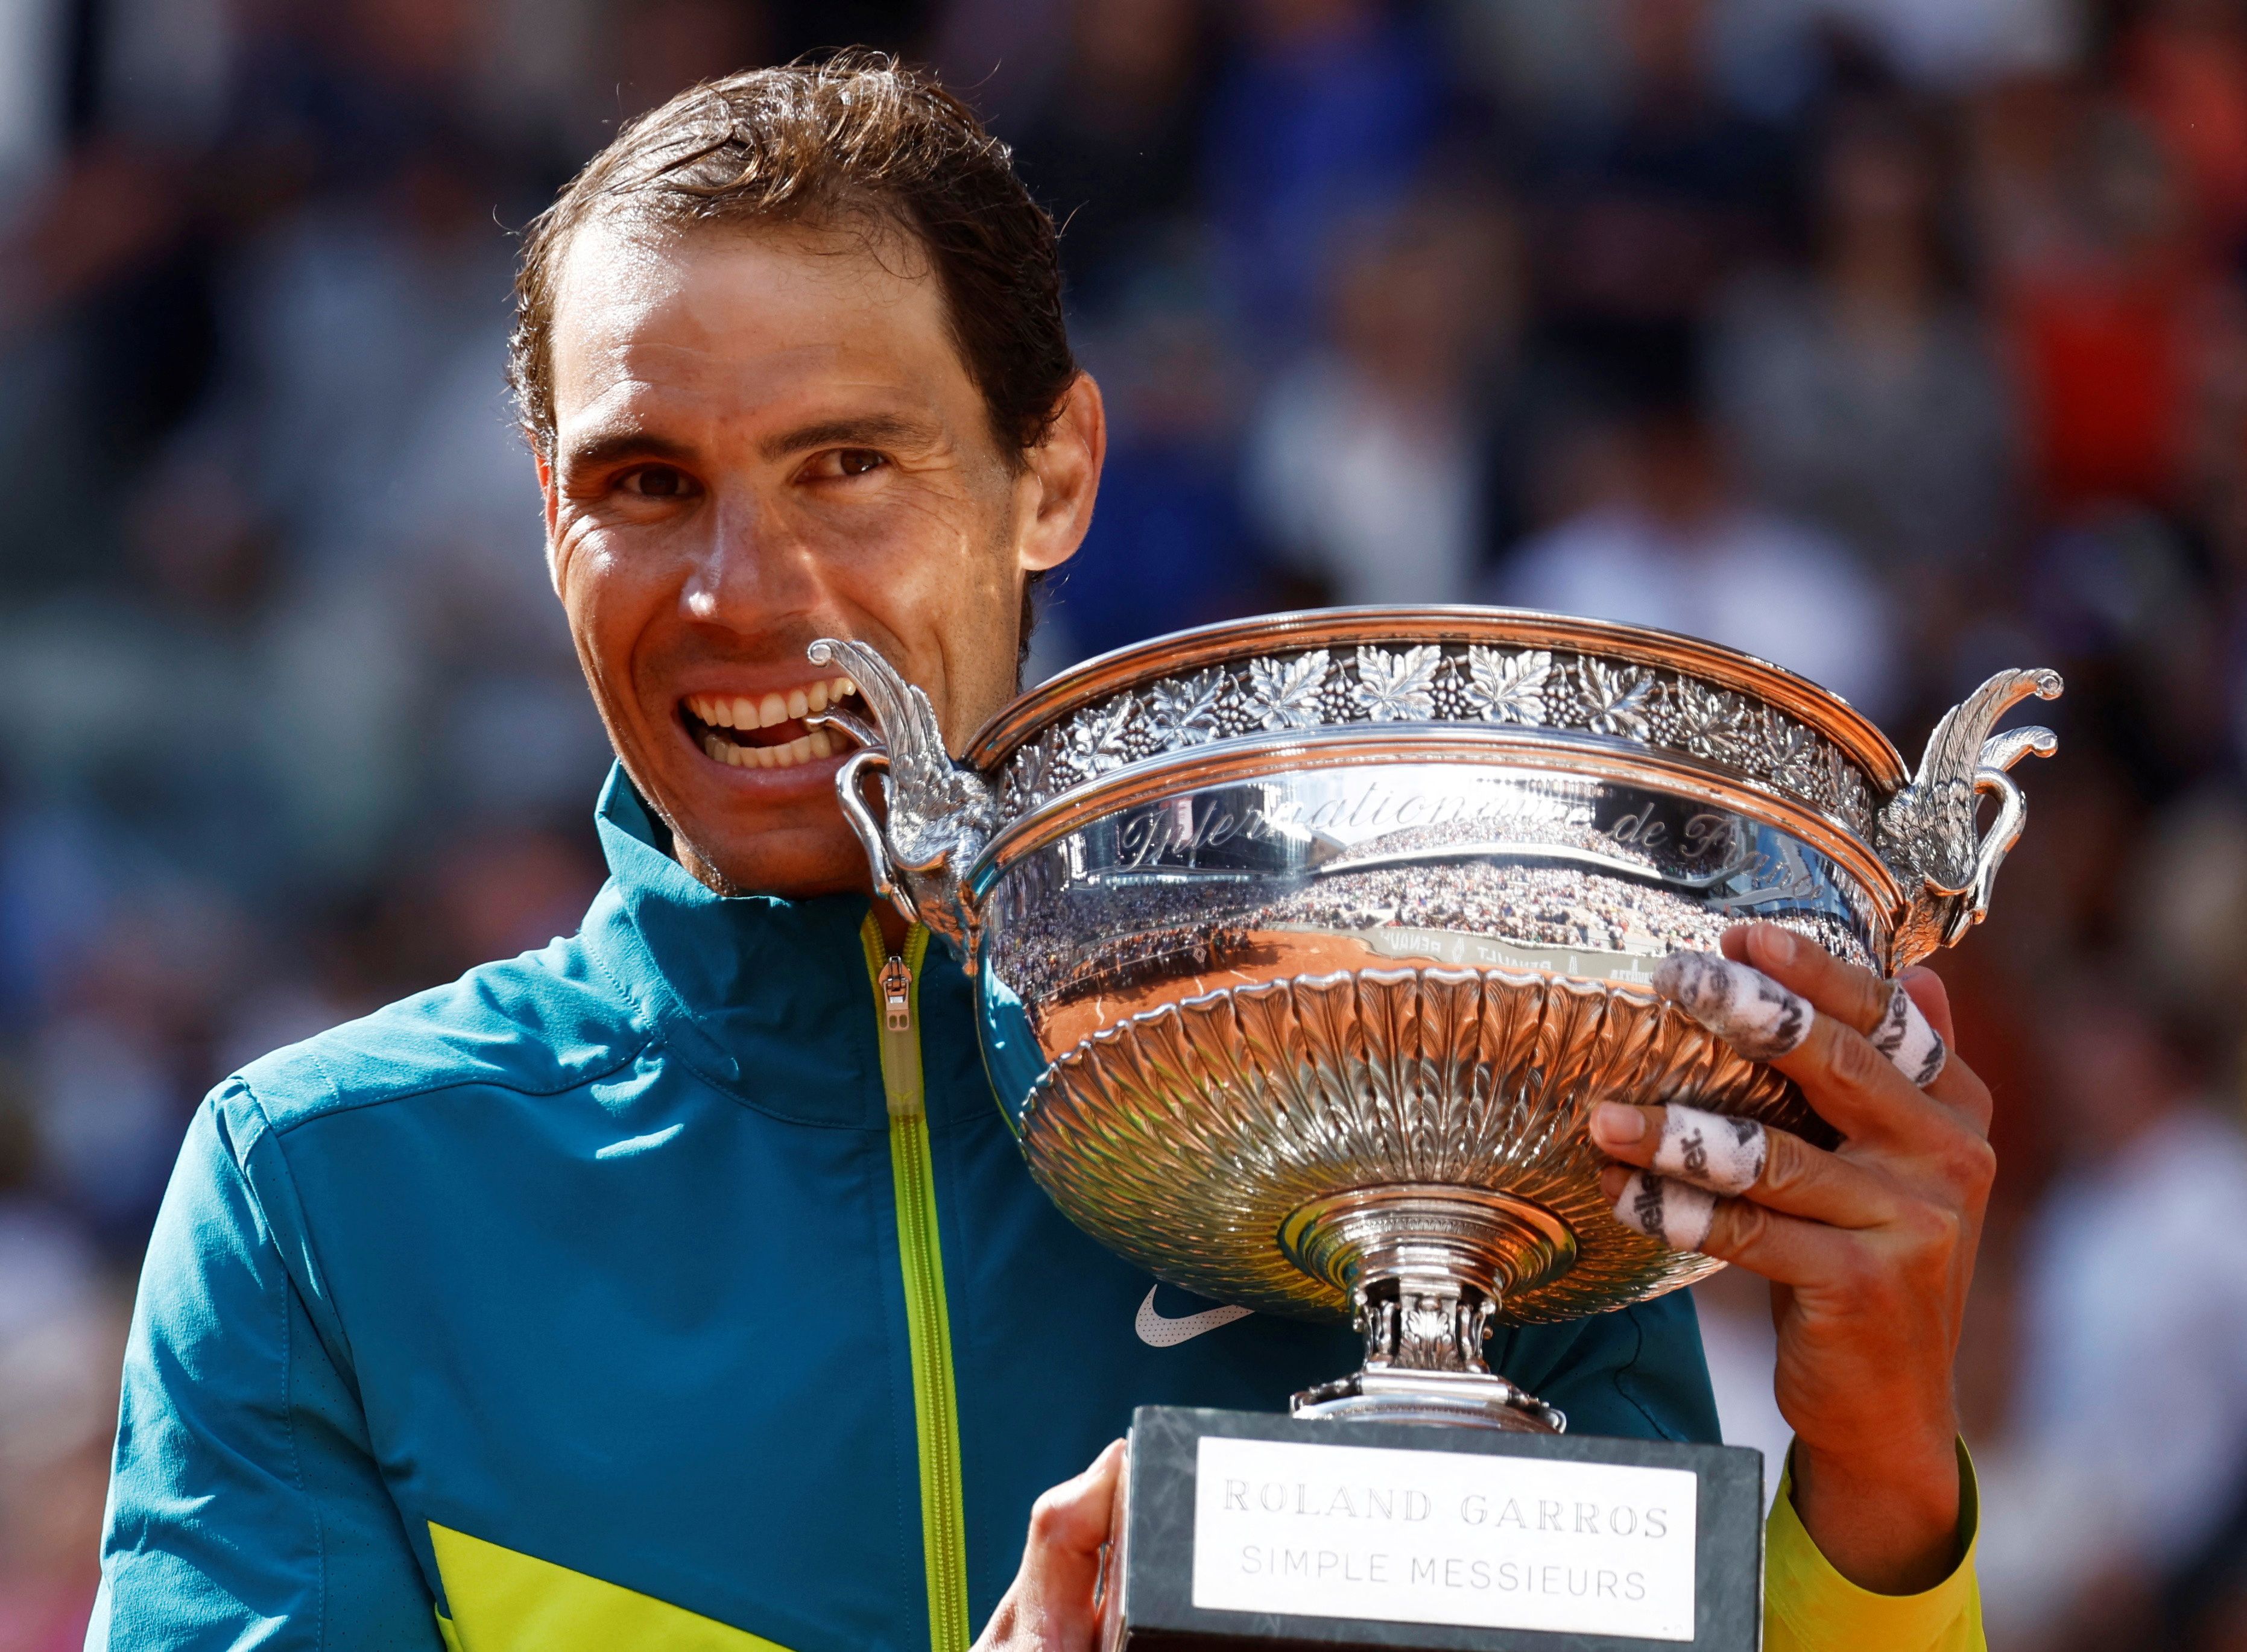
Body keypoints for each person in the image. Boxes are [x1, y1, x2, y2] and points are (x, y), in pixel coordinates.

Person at [90, 57, 1997, 1651]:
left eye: (850, 464)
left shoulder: (1454, 1090)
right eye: (645, 484)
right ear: (545, 518)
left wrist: (1889, 1500)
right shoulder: (330, 1200)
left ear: (1056, 474)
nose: (748, 597)